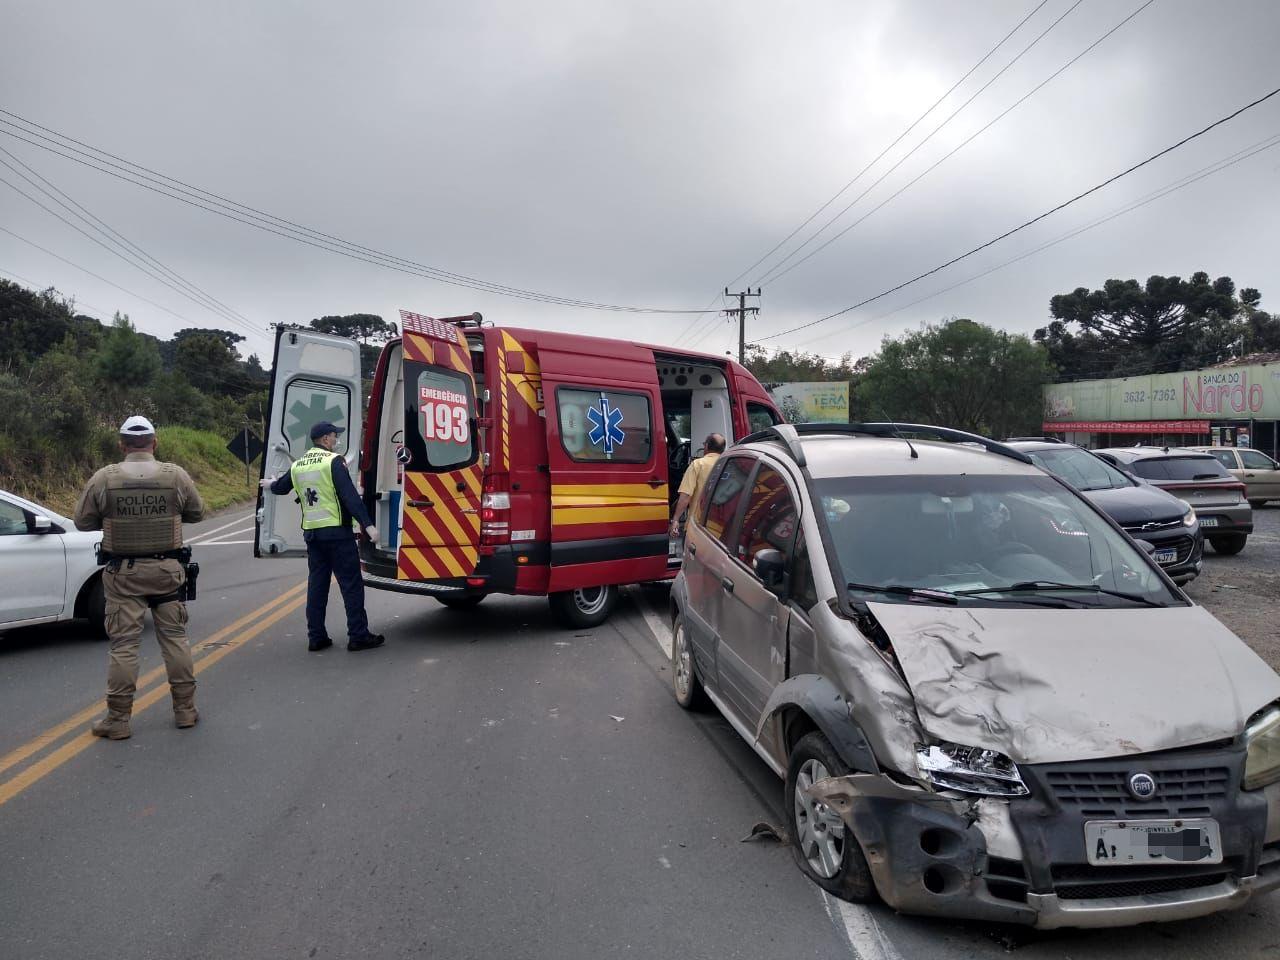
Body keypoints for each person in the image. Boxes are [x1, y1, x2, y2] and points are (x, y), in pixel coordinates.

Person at [74, 416, 205, 740]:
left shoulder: (105, 478)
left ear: (122, 445)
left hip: (124, 575)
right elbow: (196, 512)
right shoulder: (175, 475)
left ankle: (118, 721)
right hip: (167, 572)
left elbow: (82, 521)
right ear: (154, 442)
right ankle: (185, 711)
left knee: (124, 646)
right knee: (175, 639)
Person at [261, 421, 385, 653]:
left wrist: (271, 484)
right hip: (337, 534)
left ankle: (316, 636)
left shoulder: (299, 465)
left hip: (313, 535)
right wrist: (368, 525)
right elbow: (349, 497)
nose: (336, 441)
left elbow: (281, 488)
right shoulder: (333, 462)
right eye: (334, 437)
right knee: (351, 585)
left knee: (317, 586)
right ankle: (358, 635)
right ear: (326, 439)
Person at [669, 432, 726, 539]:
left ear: (707, 446)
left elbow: (685, 496)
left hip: (698, 528)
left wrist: (675, 520)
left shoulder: (698, 465)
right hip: (721, 530)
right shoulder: (729, 464)